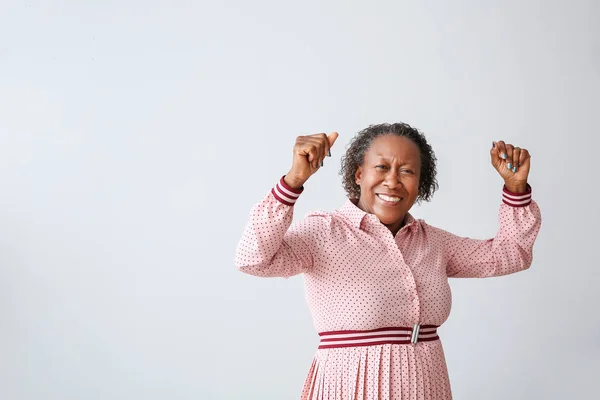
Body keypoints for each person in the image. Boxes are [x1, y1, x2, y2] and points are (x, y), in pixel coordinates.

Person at [235, 122, 541, 400]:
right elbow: (253, 259)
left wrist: (516, 190)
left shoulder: (433, 242)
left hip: (427, 387)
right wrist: (292, 182)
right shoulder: (323, 231)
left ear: (420, 184)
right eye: (381, 167)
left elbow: (511, 254)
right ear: (359, 174)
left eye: (407, 171)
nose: (393, 181)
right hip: (348, 388)